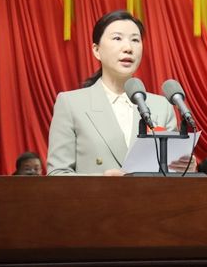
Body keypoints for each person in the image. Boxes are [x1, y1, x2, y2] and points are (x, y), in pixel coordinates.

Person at [47, 10, 178, 175]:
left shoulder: (162, 106)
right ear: (96, 50)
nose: (128, 48)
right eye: (117, 38)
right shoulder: (71, 104)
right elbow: (57, 174)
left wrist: (182, 168)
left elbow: (171, 176)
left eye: (135, 40)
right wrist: (103, 182)